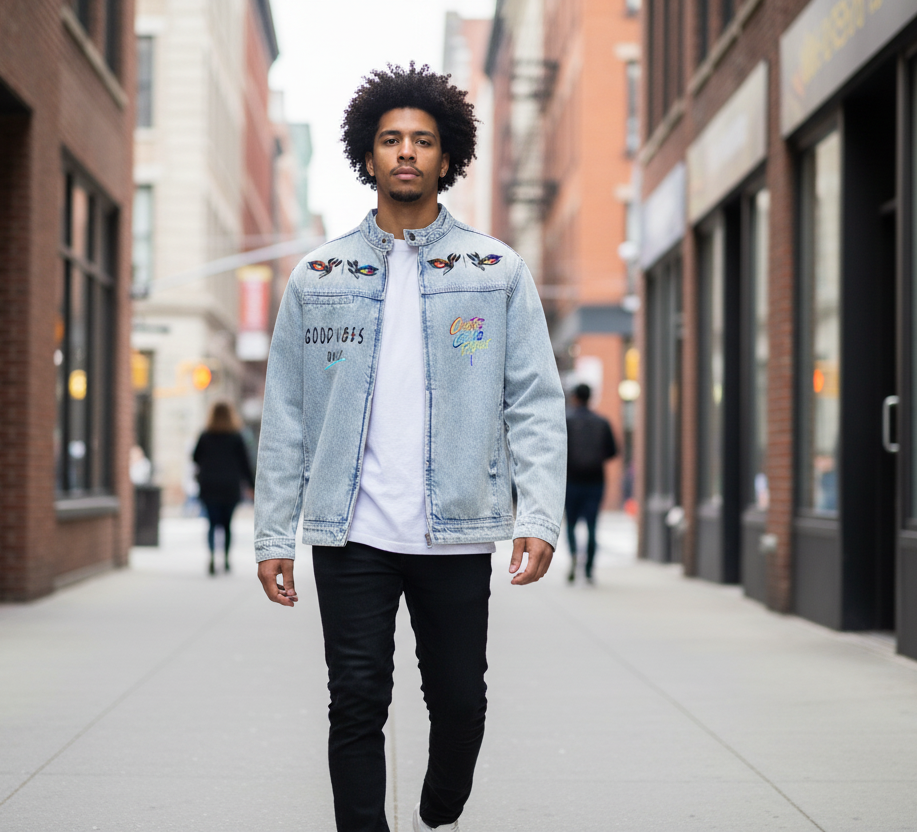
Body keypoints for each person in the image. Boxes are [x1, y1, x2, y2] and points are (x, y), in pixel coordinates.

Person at [253, 64, 566, 832]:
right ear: (367, 155)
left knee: (459, 701)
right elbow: (286, 414)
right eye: (390, 139)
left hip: (454, 527)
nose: (405, 153)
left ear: (446, 157)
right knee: (355, 698)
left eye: (422, 141)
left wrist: (539, 515)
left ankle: (442, 802)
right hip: (350, 530)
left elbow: (532, 402)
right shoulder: (318, 275)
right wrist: (274, 533)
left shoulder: (495, 271)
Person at [192, 401, 254, 575]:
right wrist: (251, 486)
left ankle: (212, 558)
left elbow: (195, 458)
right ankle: (226, 560)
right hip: (230, 487)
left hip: (209, 485)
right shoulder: (236, 436)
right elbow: (245, 464)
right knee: (227, 525)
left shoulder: (205, 435)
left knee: (211, 524)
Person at [564, 383, 618, 583]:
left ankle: (573, 558)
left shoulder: (566, 421)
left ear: (575, 398)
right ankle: (588, 569)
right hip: (595, 481)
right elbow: (613, 451)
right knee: (592, 526)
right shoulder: (602, 422)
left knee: (571, 524)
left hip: (571, 482)